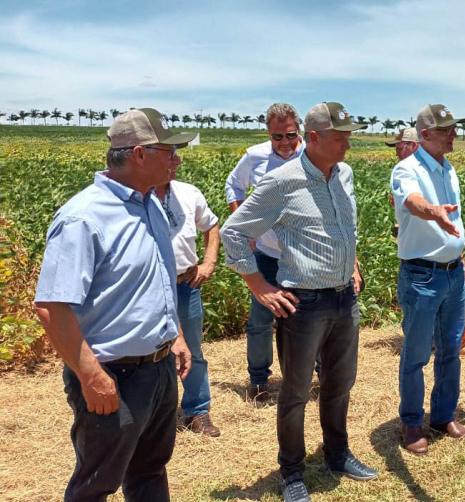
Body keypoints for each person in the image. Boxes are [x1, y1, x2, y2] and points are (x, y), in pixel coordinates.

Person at [33, 108, 195, 501]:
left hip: (158, 369)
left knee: (150, 471)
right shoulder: (84, 218)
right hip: (112, 375)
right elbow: (52, 308)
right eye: (170, 151)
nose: (177, 160)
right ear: (139, 154)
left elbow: (155, 280)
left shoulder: (150, 205)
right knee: (96, 484)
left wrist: (174, 336)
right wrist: (92, 377)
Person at [221, 102, 375, 502]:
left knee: (339, 383)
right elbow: (233, 232)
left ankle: (337, 454)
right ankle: (291, 472)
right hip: (304, 304)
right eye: (340, 138)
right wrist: (259, 286)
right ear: (315, 138)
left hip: (344, 298)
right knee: (295, 393)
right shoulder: (282, 181)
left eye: (348, 137)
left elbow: (345, 229)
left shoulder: (344, 175)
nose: (347, 145)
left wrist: (353, 265)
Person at [391, 103, 465, 456]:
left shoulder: (448, 169)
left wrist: (461, 259)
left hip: (452, 273)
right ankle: (411, 422)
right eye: (446, 129)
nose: (454, 134)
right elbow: (413, 202)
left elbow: (455, 223)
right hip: (422, 275)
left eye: (454, 128)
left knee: (451, 350)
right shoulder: (406, 169)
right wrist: (433, 212)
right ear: (425, 134)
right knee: (416, 354)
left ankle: (442, 415)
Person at [224, 102, 305, 401]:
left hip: (304, 256)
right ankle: (258, 381)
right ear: (268, 134)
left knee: (311, 319)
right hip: (267, 254)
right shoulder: (254, 156)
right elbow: (233, 185)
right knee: (260, 321)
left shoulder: (312, 156)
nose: (284, 142)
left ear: (299, 130)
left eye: (290, 135)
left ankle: (318, 377)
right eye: (277, 136)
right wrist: (242, 224)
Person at [154, 148, 222, 437]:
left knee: (192, 349)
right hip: (150, 286)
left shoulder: (188, 193)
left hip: (186, 284)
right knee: (153, 352)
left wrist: (209, 262)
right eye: (170, 156)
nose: (178, 161)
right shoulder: (139, 197)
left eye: (176, 155)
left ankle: (197, 411)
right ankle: (158, 415)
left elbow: (212, 225)